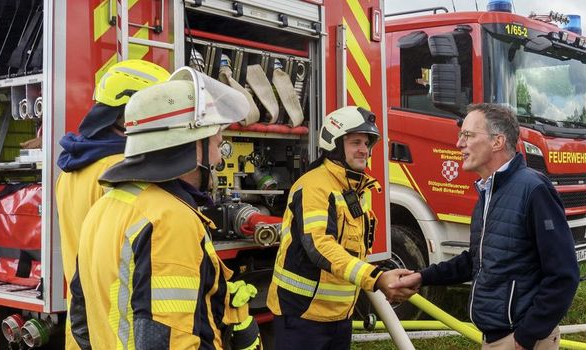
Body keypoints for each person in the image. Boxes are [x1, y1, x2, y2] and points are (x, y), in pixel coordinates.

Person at [67, 67, 259, 349]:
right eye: (217, 144)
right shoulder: (170, 220)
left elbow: (81, 323)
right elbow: (171, 341)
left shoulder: (107, 205)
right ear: (192, 144)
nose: (219, 159)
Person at [390, 103, 580, 350]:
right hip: (493, 336)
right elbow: (477, 260)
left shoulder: (534, 190)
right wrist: (422, 276)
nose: (459, 144)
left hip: (522, 340)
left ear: (497, 142)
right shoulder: (487, 192)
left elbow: (564, 275)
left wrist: (527, 336)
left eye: (467, 135)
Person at [266, 106, 415, 350]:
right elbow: (320, 246)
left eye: (367, 143)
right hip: (302, 315)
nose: (364, 150)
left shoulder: (355, 188)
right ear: (334, 144)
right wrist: (375, 279)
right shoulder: (314, 187)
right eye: (355, 142)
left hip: (339, 316)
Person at [56, 59, 169, 350]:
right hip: (118, 333)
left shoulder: (73, 170)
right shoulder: (121, 171)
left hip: (84, 330)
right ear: (125, 115)